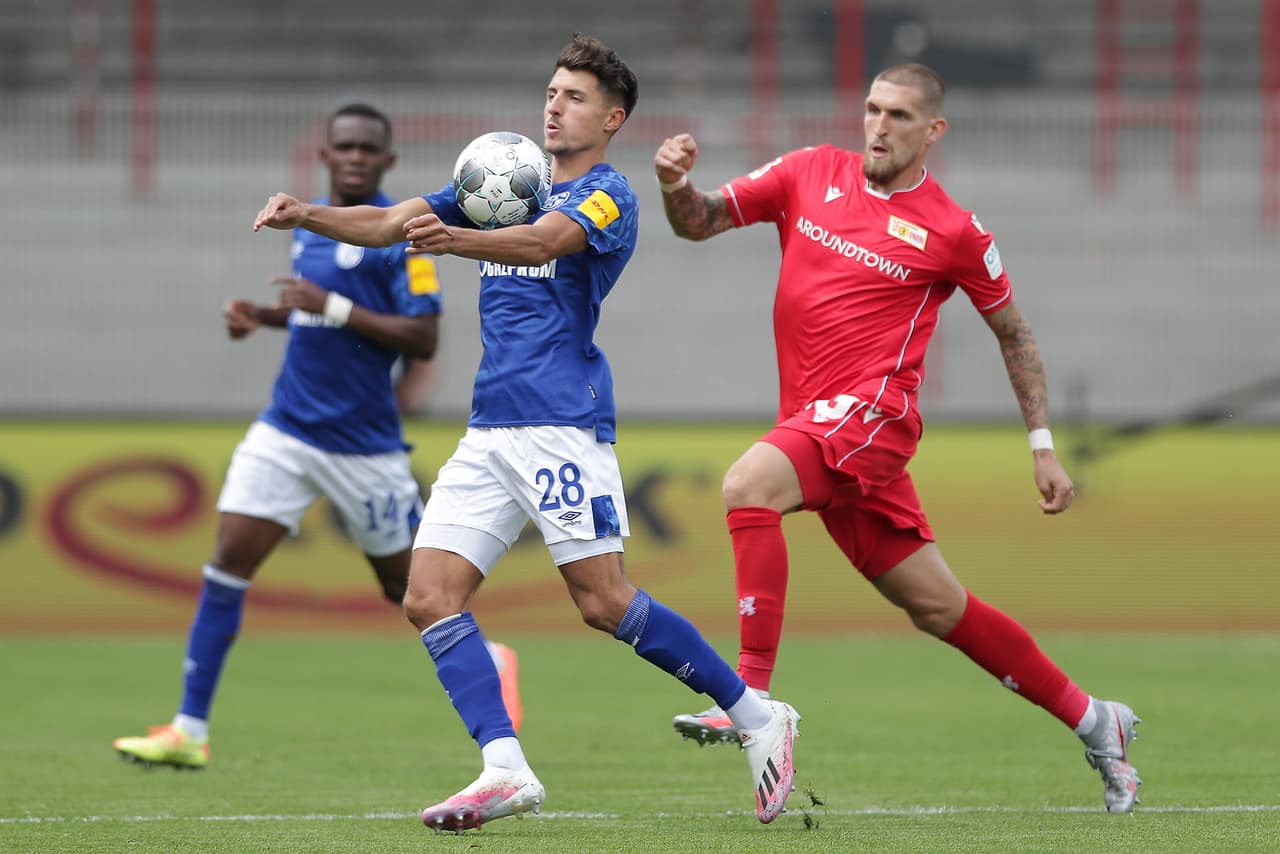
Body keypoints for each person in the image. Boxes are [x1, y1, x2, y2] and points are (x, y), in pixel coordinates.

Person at [252, 34, 800, 833]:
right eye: (550, 91)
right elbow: (390, 221)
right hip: (490, 429)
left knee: (604, 603)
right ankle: (503, 769)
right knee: (427, 596)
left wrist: (458, 239)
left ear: (611, 117)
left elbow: (545, 241)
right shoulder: (501, 177)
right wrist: (308, 212)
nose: (554, 104)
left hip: (562, 426)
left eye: (574, 96)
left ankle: (757, 716)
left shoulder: (611, 193)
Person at [653, 63, 1142, 814]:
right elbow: (700, 220)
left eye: (901, 116)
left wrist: (1042, 444)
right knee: (939, 608)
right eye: (873, 109)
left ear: (932, 131)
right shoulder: (809, 171)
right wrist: (673, 185)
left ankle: (753, 702)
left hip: (874, 421)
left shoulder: (955, 230)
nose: (879, 126)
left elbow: (1014, 334)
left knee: (747, 485)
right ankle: (1094, 719)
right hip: (820, 426)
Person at [112, 103, 524, 769]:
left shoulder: (402, 235)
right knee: (226, 566)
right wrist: (267, 318)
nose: (356, 156)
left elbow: (423, 336)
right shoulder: (306, 227)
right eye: (345, 147)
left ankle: (492, 656)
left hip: (365, 449)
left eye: (369, 148)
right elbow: (319, 319)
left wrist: (326, 305)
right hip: (287, 429)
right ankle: (189, 729)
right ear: (325, 157)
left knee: (409, 593)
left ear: (387, 162)